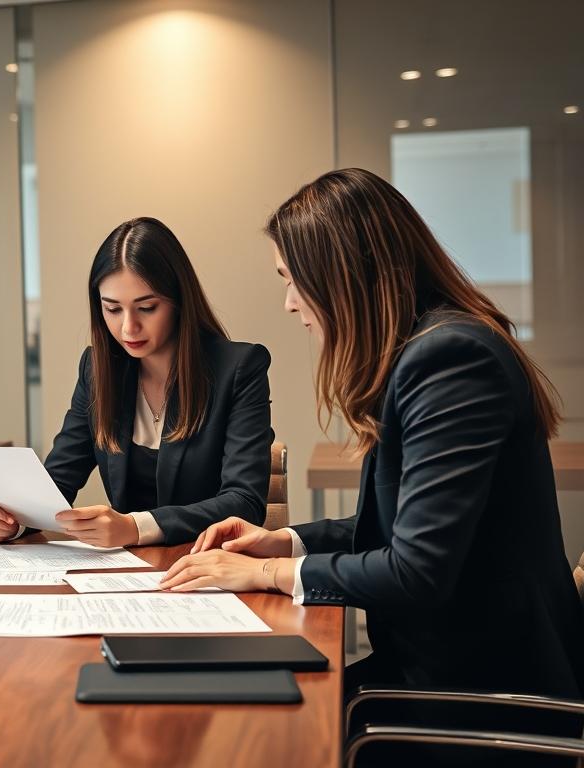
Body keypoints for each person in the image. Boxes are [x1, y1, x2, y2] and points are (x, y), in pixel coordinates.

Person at [161, 168, 584, 715]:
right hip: (447, 670)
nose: (290, 303)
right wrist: (284, 541)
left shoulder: (450, 360)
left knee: (258, 723)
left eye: (292, 278)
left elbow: (415, 570)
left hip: (483, 693)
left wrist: (264, 573)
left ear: (340, 275)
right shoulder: (430, 347)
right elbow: (398, 528)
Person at [0, 217, 273, 548]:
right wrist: (10, 520)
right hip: (125, 578)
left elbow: (244, 502)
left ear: (179, 301)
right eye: (112, 309)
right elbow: (56, 484)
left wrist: (135, 527)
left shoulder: (240, 368)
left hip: (209, 568)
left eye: (146, 308)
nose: (128, 328)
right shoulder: (97, 370)